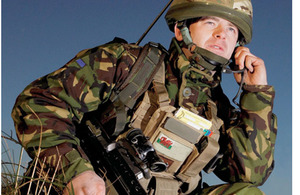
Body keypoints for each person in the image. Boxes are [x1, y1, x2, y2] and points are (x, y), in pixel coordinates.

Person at [12, 0, 277, 194]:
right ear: (180, 29)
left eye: (232, 29)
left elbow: (249, 175)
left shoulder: (217, 106)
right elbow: (39, 103)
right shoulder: (129, 63)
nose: (222, 34)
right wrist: (76, 173)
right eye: (211, 22)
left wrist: (257, 95)